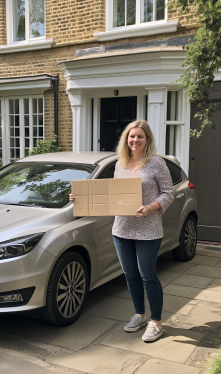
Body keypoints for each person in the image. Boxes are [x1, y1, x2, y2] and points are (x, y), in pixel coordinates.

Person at [69, 120, 174, 342]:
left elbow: (168, 193)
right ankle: (140, 314)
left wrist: (149, 207)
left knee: (148, 276)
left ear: (147, 140)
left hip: (148, 229)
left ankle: (156, 322)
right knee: (130, 275)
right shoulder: (120, 164)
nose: (135, 140)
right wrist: (80, 199)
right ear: (126, 139)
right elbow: (112, 195)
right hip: (122, 229)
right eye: (131, 136)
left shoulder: (156, 164)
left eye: (140, 137)